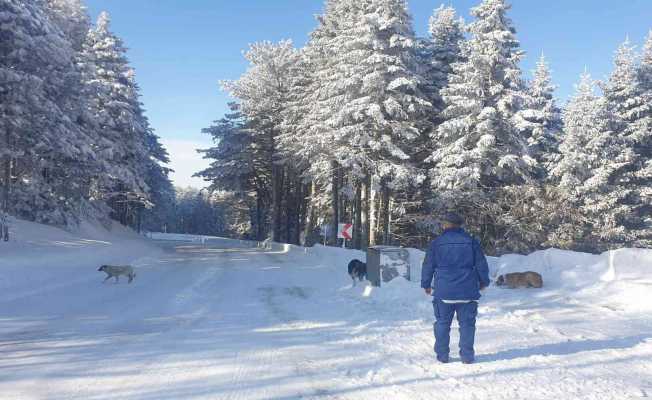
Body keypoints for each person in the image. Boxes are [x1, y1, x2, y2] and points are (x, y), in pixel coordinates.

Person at [421, 212, 490, 364]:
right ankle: (467, 356)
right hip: (468, 291)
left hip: (444, 291)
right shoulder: (471, 242)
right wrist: (484, 281)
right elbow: (481, 264)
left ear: (446, 224)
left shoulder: (437, 243)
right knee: (467, 325)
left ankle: (442, 355)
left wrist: (426, 284)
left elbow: (428, 265)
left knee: (442, 323)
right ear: (460, 225)